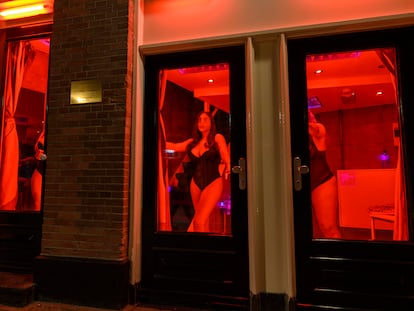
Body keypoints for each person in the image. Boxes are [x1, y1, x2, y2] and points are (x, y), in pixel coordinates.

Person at [166, 111, 230, 232]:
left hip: (213, 182)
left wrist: (228, 163)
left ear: (211, 123)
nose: (201, 122)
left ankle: (201, 248)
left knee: (199, 221)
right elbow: (174, 147)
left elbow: (224, 152)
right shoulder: (192, 142)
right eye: (199, 120)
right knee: (201, 221)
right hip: (195, 185)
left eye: (205, 120)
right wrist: (158, 139)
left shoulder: (217, 137)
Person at [308, 110, 341, 238]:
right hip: (298, 181)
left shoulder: (318, 129)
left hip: (322, 181)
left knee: (328, 228)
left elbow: (316, 130)